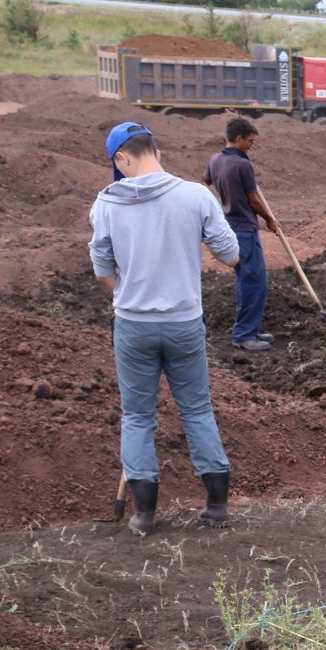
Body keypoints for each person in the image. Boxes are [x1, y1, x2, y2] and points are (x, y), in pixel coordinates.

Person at [88, 121, 241, 536]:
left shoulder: (105, 204)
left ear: (122, 158)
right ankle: (216, 506)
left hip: (133, 326)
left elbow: (103, 272)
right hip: (184, 323)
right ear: (155, 149)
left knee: (137, 416)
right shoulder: (195, 196)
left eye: (117, 164)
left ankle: (144, 515)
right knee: (196, 409)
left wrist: (130, 289)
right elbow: (230, 255)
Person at [203, 117, 279, 352]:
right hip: (245, 229)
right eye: (250, 142)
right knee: (254, 282)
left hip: (229, 227)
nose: (251, 146)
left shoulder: (216, 160)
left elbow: (207, 180)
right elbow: (253, 199)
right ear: (238, 138)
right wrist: (269, 219)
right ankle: (244, 335)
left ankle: (250, 329)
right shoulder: (242, 165)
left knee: (244, 280)